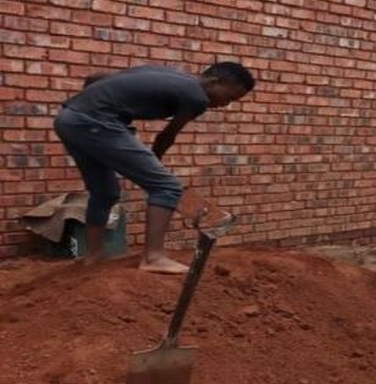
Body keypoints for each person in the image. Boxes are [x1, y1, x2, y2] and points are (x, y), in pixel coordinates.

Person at [53, 62, 255, 274]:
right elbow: (167, 136)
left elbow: (96, 78)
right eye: (228, 97)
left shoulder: (168, 74)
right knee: (167, 187)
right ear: (214, 81)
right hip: (96, 122)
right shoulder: (197, 97)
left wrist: (90, 104)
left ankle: (93, 256)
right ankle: (153, 257)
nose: (225, 104)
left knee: (104, 192)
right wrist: (155, 168)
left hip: (69, 119)